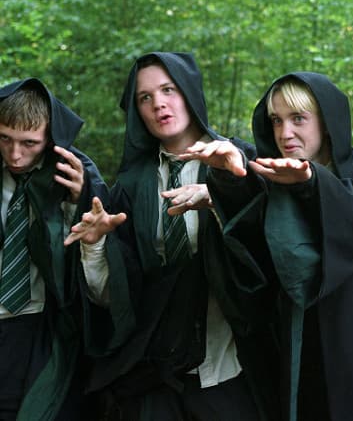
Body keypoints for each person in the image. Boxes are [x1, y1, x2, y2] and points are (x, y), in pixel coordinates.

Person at [184, 72, 353, 421]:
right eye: (276, 120)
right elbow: (255, 257)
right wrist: (227, 181)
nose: (285, 133)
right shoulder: (273, 182)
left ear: (326, 120)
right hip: (308, 356)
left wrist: (312, 183)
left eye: (298, 118)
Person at [65, 52, 279, 421]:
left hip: (229, 364)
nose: (158, 104)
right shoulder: (131, 187)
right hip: (156, 373)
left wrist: (224, 195)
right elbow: (118, 296)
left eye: (168, 90)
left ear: (189, 92)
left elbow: (272, 255)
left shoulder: (240, 160)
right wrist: (96, 246)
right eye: (144, 97)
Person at [0, 78, 109, 420]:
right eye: (5, 139)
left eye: (29, 143)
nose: (15, 154)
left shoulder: (74, 172)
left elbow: (99, 255)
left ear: (49, 138)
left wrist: (78, 200)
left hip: (44, 327)